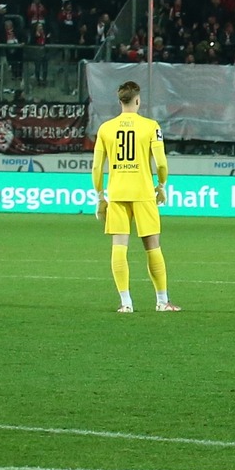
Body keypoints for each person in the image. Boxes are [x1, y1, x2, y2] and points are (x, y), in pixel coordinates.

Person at [92, 80, 177, 313]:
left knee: (119, 247)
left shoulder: (106, 128)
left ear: (120, 101)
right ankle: (162, 301)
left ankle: (126, 303)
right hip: (142, 192)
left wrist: (101, 196)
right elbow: (161, 163)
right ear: (137, 100)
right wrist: (161, 185)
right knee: (152, 247)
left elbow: (97, 168)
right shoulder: (150, 126)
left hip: (118, 193)